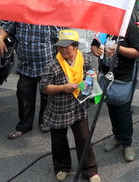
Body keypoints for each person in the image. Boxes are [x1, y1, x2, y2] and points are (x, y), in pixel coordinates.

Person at [91, 0, 139, 162]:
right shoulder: (104, 28)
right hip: (106, 76)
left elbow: (137, 52)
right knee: (111, 108)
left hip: (123, 76)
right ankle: (117, 137)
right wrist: (96, 50)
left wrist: (119, 50)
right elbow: (94, 45)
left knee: (123, 111)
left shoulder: (129, 28)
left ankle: (127, 143)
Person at [40, 29, 99, 182]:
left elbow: (90, 74)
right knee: (58, 140)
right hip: (59, 109)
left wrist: (93, 76)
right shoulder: (52, 64)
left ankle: (89, 170)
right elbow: (44, 88)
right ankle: (61, 167)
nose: (63, 50)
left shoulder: (85, 59)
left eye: (67, 47)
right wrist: (62, 88)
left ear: (76, 47)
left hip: (78, 106)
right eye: (60, 46)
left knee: (84, 138)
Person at [0, 21, 61, 139]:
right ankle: (24, 126)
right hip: (26, 67)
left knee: (47, 96)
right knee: (23, 95)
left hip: (47, 67)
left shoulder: (49, 18)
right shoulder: (19, 16)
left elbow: (58, 40)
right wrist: (0, 39)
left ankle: (44, 121)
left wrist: (61, 64)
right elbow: (5, 29)